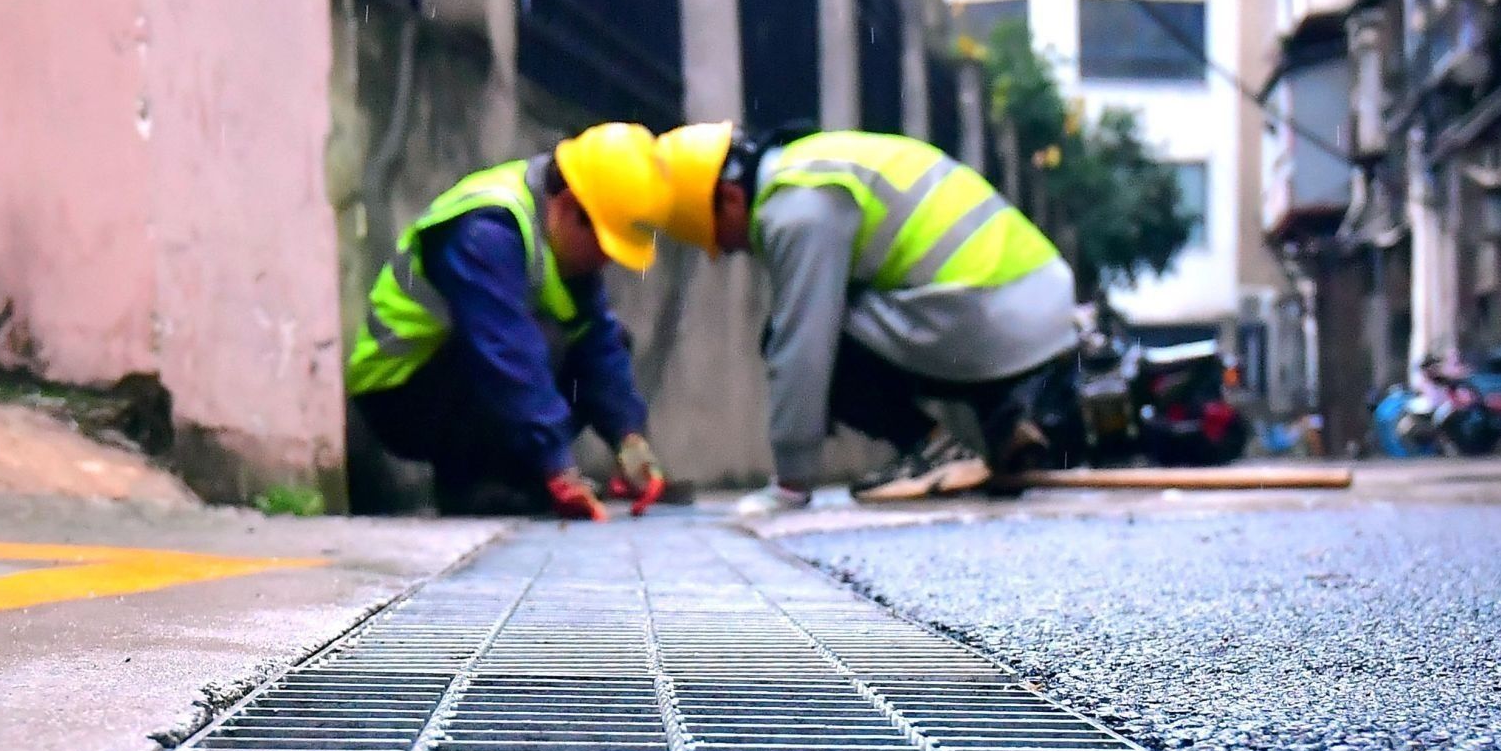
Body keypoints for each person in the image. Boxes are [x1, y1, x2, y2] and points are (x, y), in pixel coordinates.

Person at [655, 122, 1084, 511]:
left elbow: (803, 345)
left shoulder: (796, 208)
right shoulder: (821, 159)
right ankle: (1009, 419)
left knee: (796, 333)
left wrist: (790, 482)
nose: (731, 253)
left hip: (980, 317)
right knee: (889, 291)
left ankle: (934, 450)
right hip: (1043, 311)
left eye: (720, 241)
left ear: (730, 198)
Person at [347, 124, 672, 520]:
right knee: (534, 343)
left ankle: (513, 483)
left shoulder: (560, 244)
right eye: (604, 246)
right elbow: (504, 348)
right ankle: (473, 485)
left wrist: (630, 440)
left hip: (458, 380)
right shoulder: (487, 228)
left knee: (606, 338)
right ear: (569, 206)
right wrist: (558, 465)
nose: (606, 262)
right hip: (398, 393)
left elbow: (599, 344)